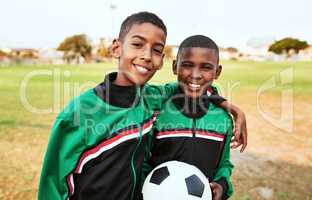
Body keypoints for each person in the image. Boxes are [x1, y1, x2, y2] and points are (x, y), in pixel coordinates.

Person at [38, 12, 246, 200]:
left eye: (156, 50)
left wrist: (230, 106)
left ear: (162, 60)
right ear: (116, 47)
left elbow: (188, 86)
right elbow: (52, 183)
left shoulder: (151, 100)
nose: (147, 55)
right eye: (137, 44)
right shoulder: (79, 113)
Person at [148, 35, 236, 200]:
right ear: (175, 67)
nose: (195, 75)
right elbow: (143, 161)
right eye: (187, 65)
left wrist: (222, 185)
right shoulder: (157, 113)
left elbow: (224, 163)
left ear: (217, 72)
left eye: (206, 67)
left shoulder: (223, 119)